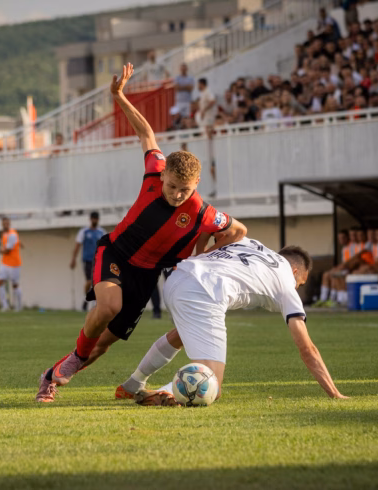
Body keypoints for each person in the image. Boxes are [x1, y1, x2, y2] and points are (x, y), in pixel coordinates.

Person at [36, 63, 247, 403]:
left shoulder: (203, 212)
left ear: (197, 183)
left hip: (146, 275)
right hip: (116, 253)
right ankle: (74, 358)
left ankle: (50, 376)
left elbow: (238, 230)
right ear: (163, 176)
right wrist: (119, 95)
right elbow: (146, 133)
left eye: (185, 189)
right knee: (108, 306)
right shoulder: (154, 170)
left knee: (103, 345)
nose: (177, 194)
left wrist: (203, 254)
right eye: (172, 186)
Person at [115, 239, 348, 405]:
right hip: (204, 292)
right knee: (211, 386)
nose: (297, 288)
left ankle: (133, 384)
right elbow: (307, 348)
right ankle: (166, 392)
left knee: (181, 334)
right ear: (295, 271)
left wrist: (195, 254)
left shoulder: (251, 243)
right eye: (300, 283)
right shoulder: (286, 282)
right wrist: (334, 393)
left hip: (179, 276)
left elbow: (218, 230)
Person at [70, 212, 106, 312]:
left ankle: (94, 302)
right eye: (93, 218)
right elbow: (77, 245)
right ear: (90, 219)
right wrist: (73, 259)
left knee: (97, 282)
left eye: (96, 219)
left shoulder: (101, 232)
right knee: (89, 281)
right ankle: (86, 299)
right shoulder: (84, 232)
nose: (95, 220)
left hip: (98, 260)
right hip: (87, 260)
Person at [195, 78, 218, 197]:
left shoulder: (207, 92)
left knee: (212, 163)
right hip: (206, 129)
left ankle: (215, 188)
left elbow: (212, 101)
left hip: (209, 128)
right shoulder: (203, 93)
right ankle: (213, 188)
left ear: (202, 84)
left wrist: (204, 110)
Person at [0, 216, 23, 312]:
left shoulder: (12, 234)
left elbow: (7, 250)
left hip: (14, 263)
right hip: (5, 263)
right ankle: (5, 305)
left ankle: (19, 305)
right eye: (4, 223)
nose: (5, 225)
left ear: (9, 223)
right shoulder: (4, 234)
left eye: (7, 223)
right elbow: (15, 243)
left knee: (15, 285)